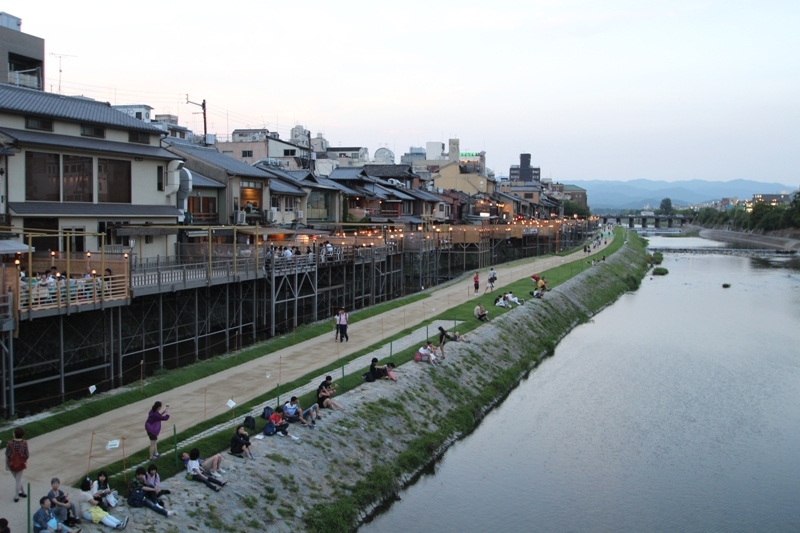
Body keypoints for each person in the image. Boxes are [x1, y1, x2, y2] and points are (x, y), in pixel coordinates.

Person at [5, 426, 29, 503]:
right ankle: (23, 493)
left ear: (15, 434)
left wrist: (6, 465)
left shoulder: (9, 443)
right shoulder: (24, 443)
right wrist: (25, 461)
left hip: (11, 464)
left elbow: (7, 455)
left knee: (17, 479)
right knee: (18, 479)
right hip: (21, 464)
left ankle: (16, 496)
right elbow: (26, 455)